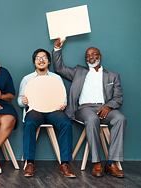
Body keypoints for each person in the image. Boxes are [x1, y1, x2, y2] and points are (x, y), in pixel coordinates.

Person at [53, 38, 126, 178]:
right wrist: (57, 49)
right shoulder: (78, 71)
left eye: (94, 54)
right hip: (84, 109)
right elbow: (59, 68)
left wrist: (108, 107)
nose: (90, 57)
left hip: (105, 108)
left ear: (100, 56)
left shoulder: (113, 76)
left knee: (120, 119)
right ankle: (96, 162)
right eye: (87, 55)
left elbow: (118, 98)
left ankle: (111, 162)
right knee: (92, 119)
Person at [18, 49, 75, 178]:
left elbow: (63, 98)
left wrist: (62, 105)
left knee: (66, 123)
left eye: (44, 57)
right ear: (34, 62)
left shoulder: (56, 78)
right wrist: (23, 101)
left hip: (53, 111)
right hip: (35, 110)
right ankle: (29, 163)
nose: (41, 60)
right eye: (38, 58)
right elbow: (19, 101)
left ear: (49, 61)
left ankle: (65, 163)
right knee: (30, 122)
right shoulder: (27, 79)